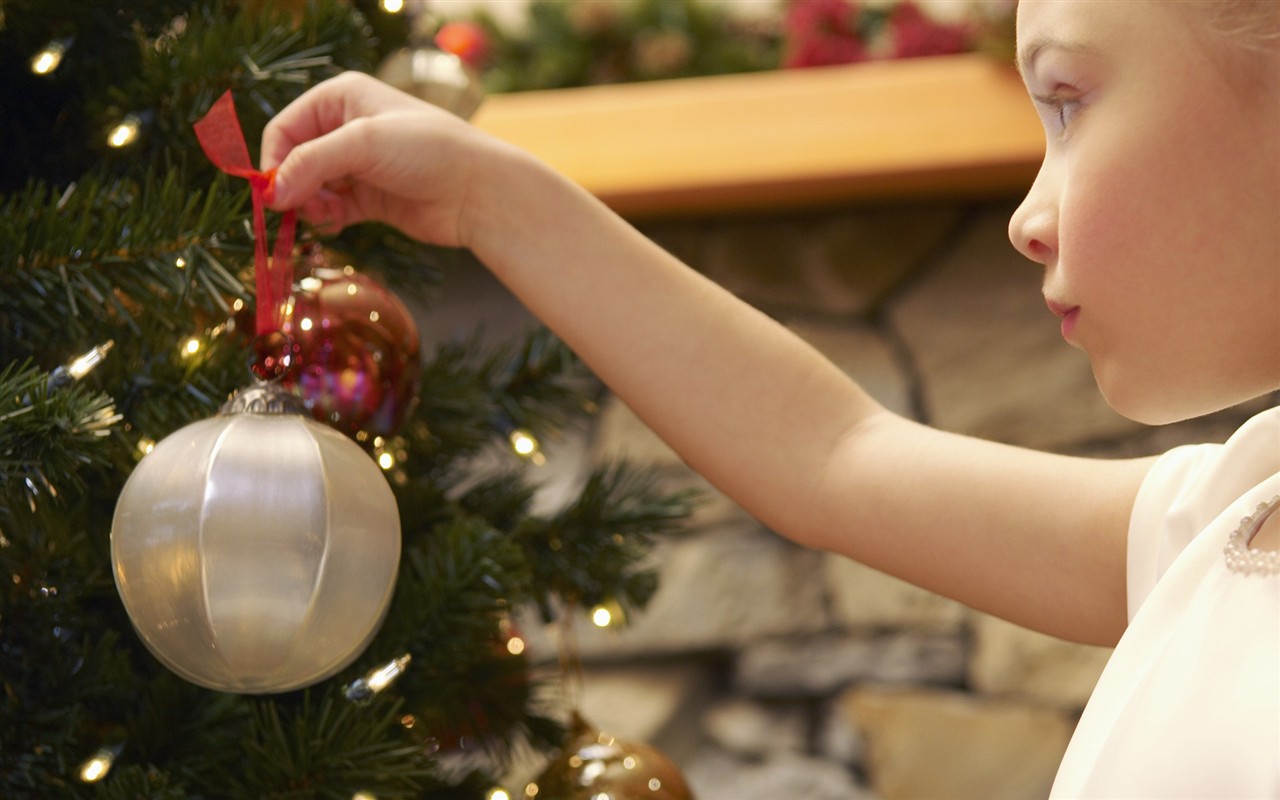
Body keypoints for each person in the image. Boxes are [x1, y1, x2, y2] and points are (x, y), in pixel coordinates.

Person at [261, 0, 1279, 795]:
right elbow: (831, 455)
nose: (1029, 217)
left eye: (1066, 101)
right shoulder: (1227, 513)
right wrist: (490, 198)